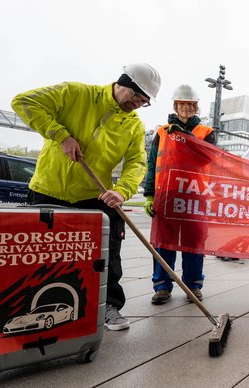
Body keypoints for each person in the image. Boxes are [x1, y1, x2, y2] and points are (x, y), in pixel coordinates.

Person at [11, 63, 161, 331]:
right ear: (123, 83)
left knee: (107, 255)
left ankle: (108, 306)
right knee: (41, 255)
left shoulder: (133, 126)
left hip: (95, 196)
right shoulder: (76, 93)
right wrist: (61, 136)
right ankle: (29, 310)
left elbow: (137, 163)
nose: (137, 104)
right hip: (49, 190)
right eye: (136, 97)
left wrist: (122, 190)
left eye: (144, 102)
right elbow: (23, 102)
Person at [143, 84, 216, 305]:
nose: (186, 108)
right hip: (167, 194)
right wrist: (148, 194)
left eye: (190, 104)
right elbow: (152, 162)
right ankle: (162, 287)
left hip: (195, 195)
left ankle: (193, 286)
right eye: (182, 104)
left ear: (196, 107)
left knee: (194, 243)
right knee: (164, 243)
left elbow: (209, 158)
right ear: (176, 106)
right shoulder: (162, 132)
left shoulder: (206, 133)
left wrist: (187, 138)